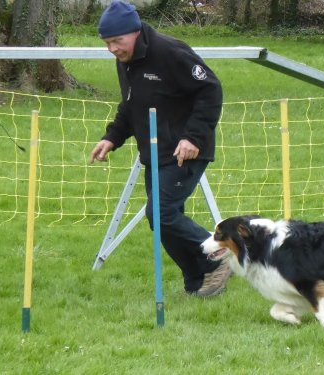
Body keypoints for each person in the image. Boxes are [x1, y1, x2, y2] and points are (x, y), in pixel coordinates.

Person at [90, 0, 232, 297]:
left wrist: (193, 137)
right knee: (163, 222)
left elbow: (210, 89)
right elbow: (131, 105)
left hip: (186, 149)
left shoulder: (169, 52)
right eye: (107, 43)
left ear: (136, 32)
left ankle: (219, 253)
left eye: (118, 41)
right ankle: (197, 281)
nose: (113, 49)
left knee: (162, 214)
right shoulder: (125, 61)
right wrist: (112, 137)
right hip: (155, 152)